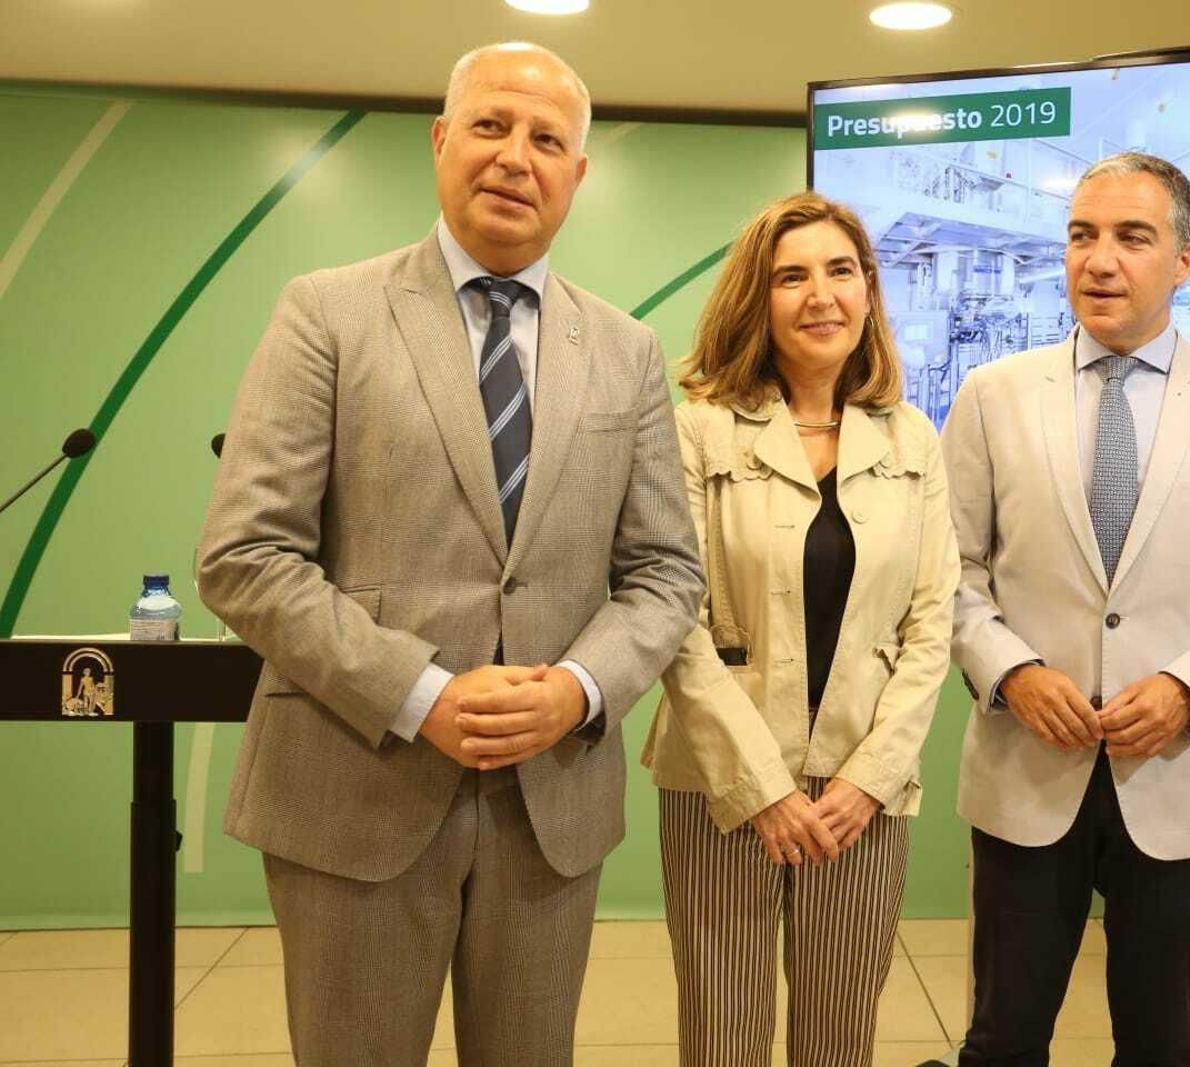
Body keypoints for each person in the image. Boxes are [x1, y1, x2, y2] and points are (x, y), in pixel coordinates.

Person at [197, 41, 703, 1067]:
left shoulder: (627, 349)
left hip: (548, 808)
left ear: (577, 173)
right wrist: (419, 692)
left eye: (547, 139)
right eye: (490, 125)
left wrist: (577, 688)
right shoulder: (327, 312)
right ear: (440, 140)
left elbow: (666, 573)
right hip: (355, 788)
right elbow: (247, 552)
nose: (516, 156)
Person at [940, 151, 1190, 1067]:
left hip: (1177, 774)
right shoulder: (994, 395)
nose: (1100, 259)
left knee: (1160, 1044)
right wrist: (1011, 670)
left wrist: (1189, 689)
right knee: (1002, 1040)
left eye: (1131, 237)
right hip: (1027, 771)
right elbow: (945, 571)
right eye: (1082, 235)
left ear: (1185, 260)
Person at [642, 191, 959, 1067]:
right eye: (792, 276)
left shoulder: (913, 440)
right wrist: (763, 787)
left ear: (869, 290)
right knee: (723, 1034)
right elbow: (674, 620)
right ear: (758, 297)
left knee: (839, 1034)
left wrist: (869, 779)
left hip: (862, 789)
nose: (821, 295)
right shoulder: (698, 432)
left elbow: (931, 626)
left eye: (840, 270)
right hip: (721, 781)